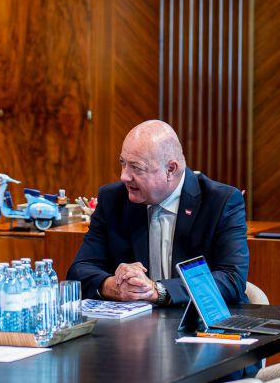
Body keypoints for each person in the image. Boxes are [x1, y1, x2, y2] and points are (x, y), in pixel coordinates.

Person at [68, 120, 249, 306]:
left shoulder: (220, 201)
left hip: (202, 325)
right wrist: (113, 286)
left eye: (136, 167)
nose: (124, 176)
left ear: (171, 169)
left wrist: (157, 290)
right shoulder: (113, 199)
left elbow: (231, 279)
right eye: (123, 163)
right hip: (134, 329)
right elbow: (79, 270)